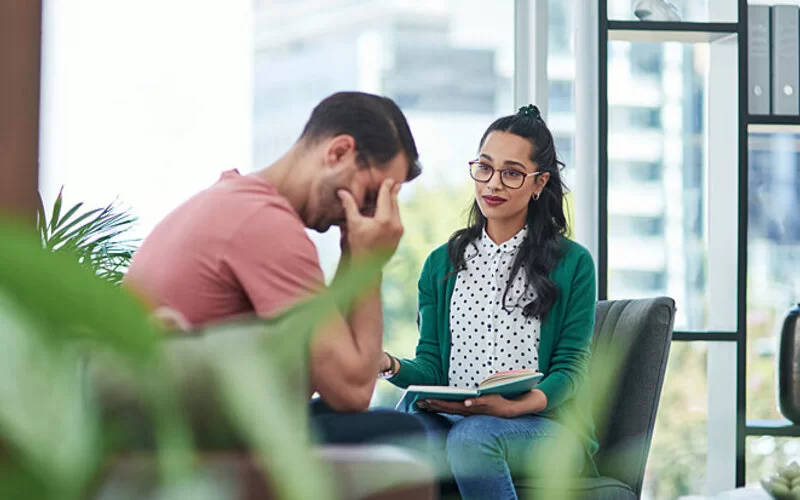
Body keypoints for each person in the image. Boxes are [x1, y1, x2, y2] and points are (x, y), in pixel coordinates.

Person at [124, 91, 426, 446]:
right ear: (338, 152)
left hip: (184, 423)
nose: (371, 214)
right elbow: (352, 392)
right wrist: (370, 262)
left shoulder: (234, 200)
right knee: (402, 434)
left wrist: (352, 252)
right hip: (189, 438)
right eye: (372, 195)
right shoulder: (266, 225)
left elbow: (330, 368)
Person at [379, 105, 599, 499]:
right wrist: (389, 365)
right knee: (399, 435)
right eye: (484, 168)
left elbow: (570, 370)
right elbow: (431, 365)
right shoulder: (440, 264)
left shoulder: (574, 263)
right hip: (456, 418)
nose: (493, 184)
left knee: (472, 441)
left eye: (511, 173)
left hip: (542, 427)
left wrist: (512, 408)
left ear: (538, 183)